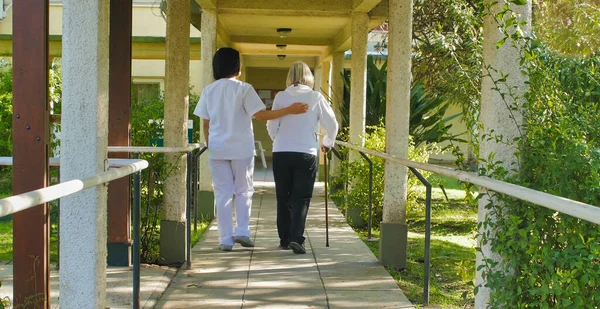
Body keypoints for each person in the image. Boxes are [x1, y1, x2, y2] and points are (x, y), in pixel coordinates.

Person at [193, 48, 308, 251]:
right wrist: (289, 110)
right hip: (241, 149)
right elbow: (261, 116)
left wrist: (211, 144)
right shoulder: (244, 89)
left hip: (217, 149)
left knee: (222, 194)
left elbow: (205, 123)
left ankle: (225, 240)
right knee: (244, 191)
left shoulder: (209, 90)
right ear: (237, 68)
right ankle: (243, 231)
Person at [267, 61, 339, 254]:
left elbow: (272, 124)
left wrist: (277, 139)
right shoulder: (315, 97)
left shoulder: (281, 96)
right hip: (306, 152)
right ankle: (297, 238)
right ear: (310, 77)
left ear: (290, 77)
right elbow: (332, 125)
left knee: (283, 196)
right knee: (302, 197)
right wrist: (327, 143)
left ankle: (284, 239)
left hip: (281, 152)